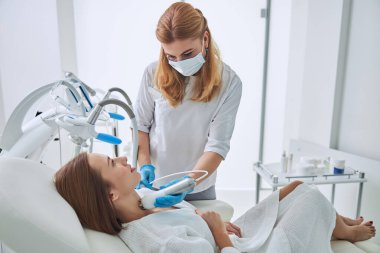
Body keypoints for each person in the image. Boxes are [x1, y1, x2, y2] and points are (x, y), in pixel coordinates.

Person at [54, 153, 376, 253]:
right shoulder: (163, 244)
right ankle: (344, 232)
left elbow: (173, 209)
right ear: (111, 195)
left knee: (296, 187)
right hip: (240, 249)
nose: (124, 157)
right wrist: (217, 229)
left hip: (234, 237)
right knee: (309, 196)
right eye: (113, 162)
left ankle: (339, 224)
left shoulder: (141, 202)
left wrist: (201, 217)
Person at [134, 2, 242, 204]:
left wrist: (188, 182)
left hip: (198, 187)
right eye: (171, 56)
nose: (179, 63)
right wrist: (145, 166)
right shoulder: (153, 73)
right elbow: (140, 126)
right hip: (155, 183)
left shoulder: (229, 82)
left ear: (205, 39)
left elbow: (217, 146)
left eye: (188, 54)